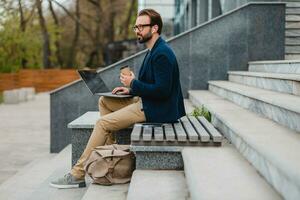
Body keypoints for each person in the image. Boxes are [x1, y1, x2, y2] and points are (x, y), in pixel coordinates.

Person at [50, 8, 186, 189]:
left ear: (154, 28)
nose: (137, 30)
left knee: (102, 124)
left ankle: (77, 174)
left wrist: (133, 84)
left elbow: (163, 91)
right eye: (135, 27)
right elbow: (152, 85)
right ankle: (111, 153)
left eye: (141, 27)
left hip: (157, 109)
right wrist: (129, 89)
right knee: (104, 101)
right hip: (147, 102)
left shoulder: (162, 54)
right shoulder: (153, 50)